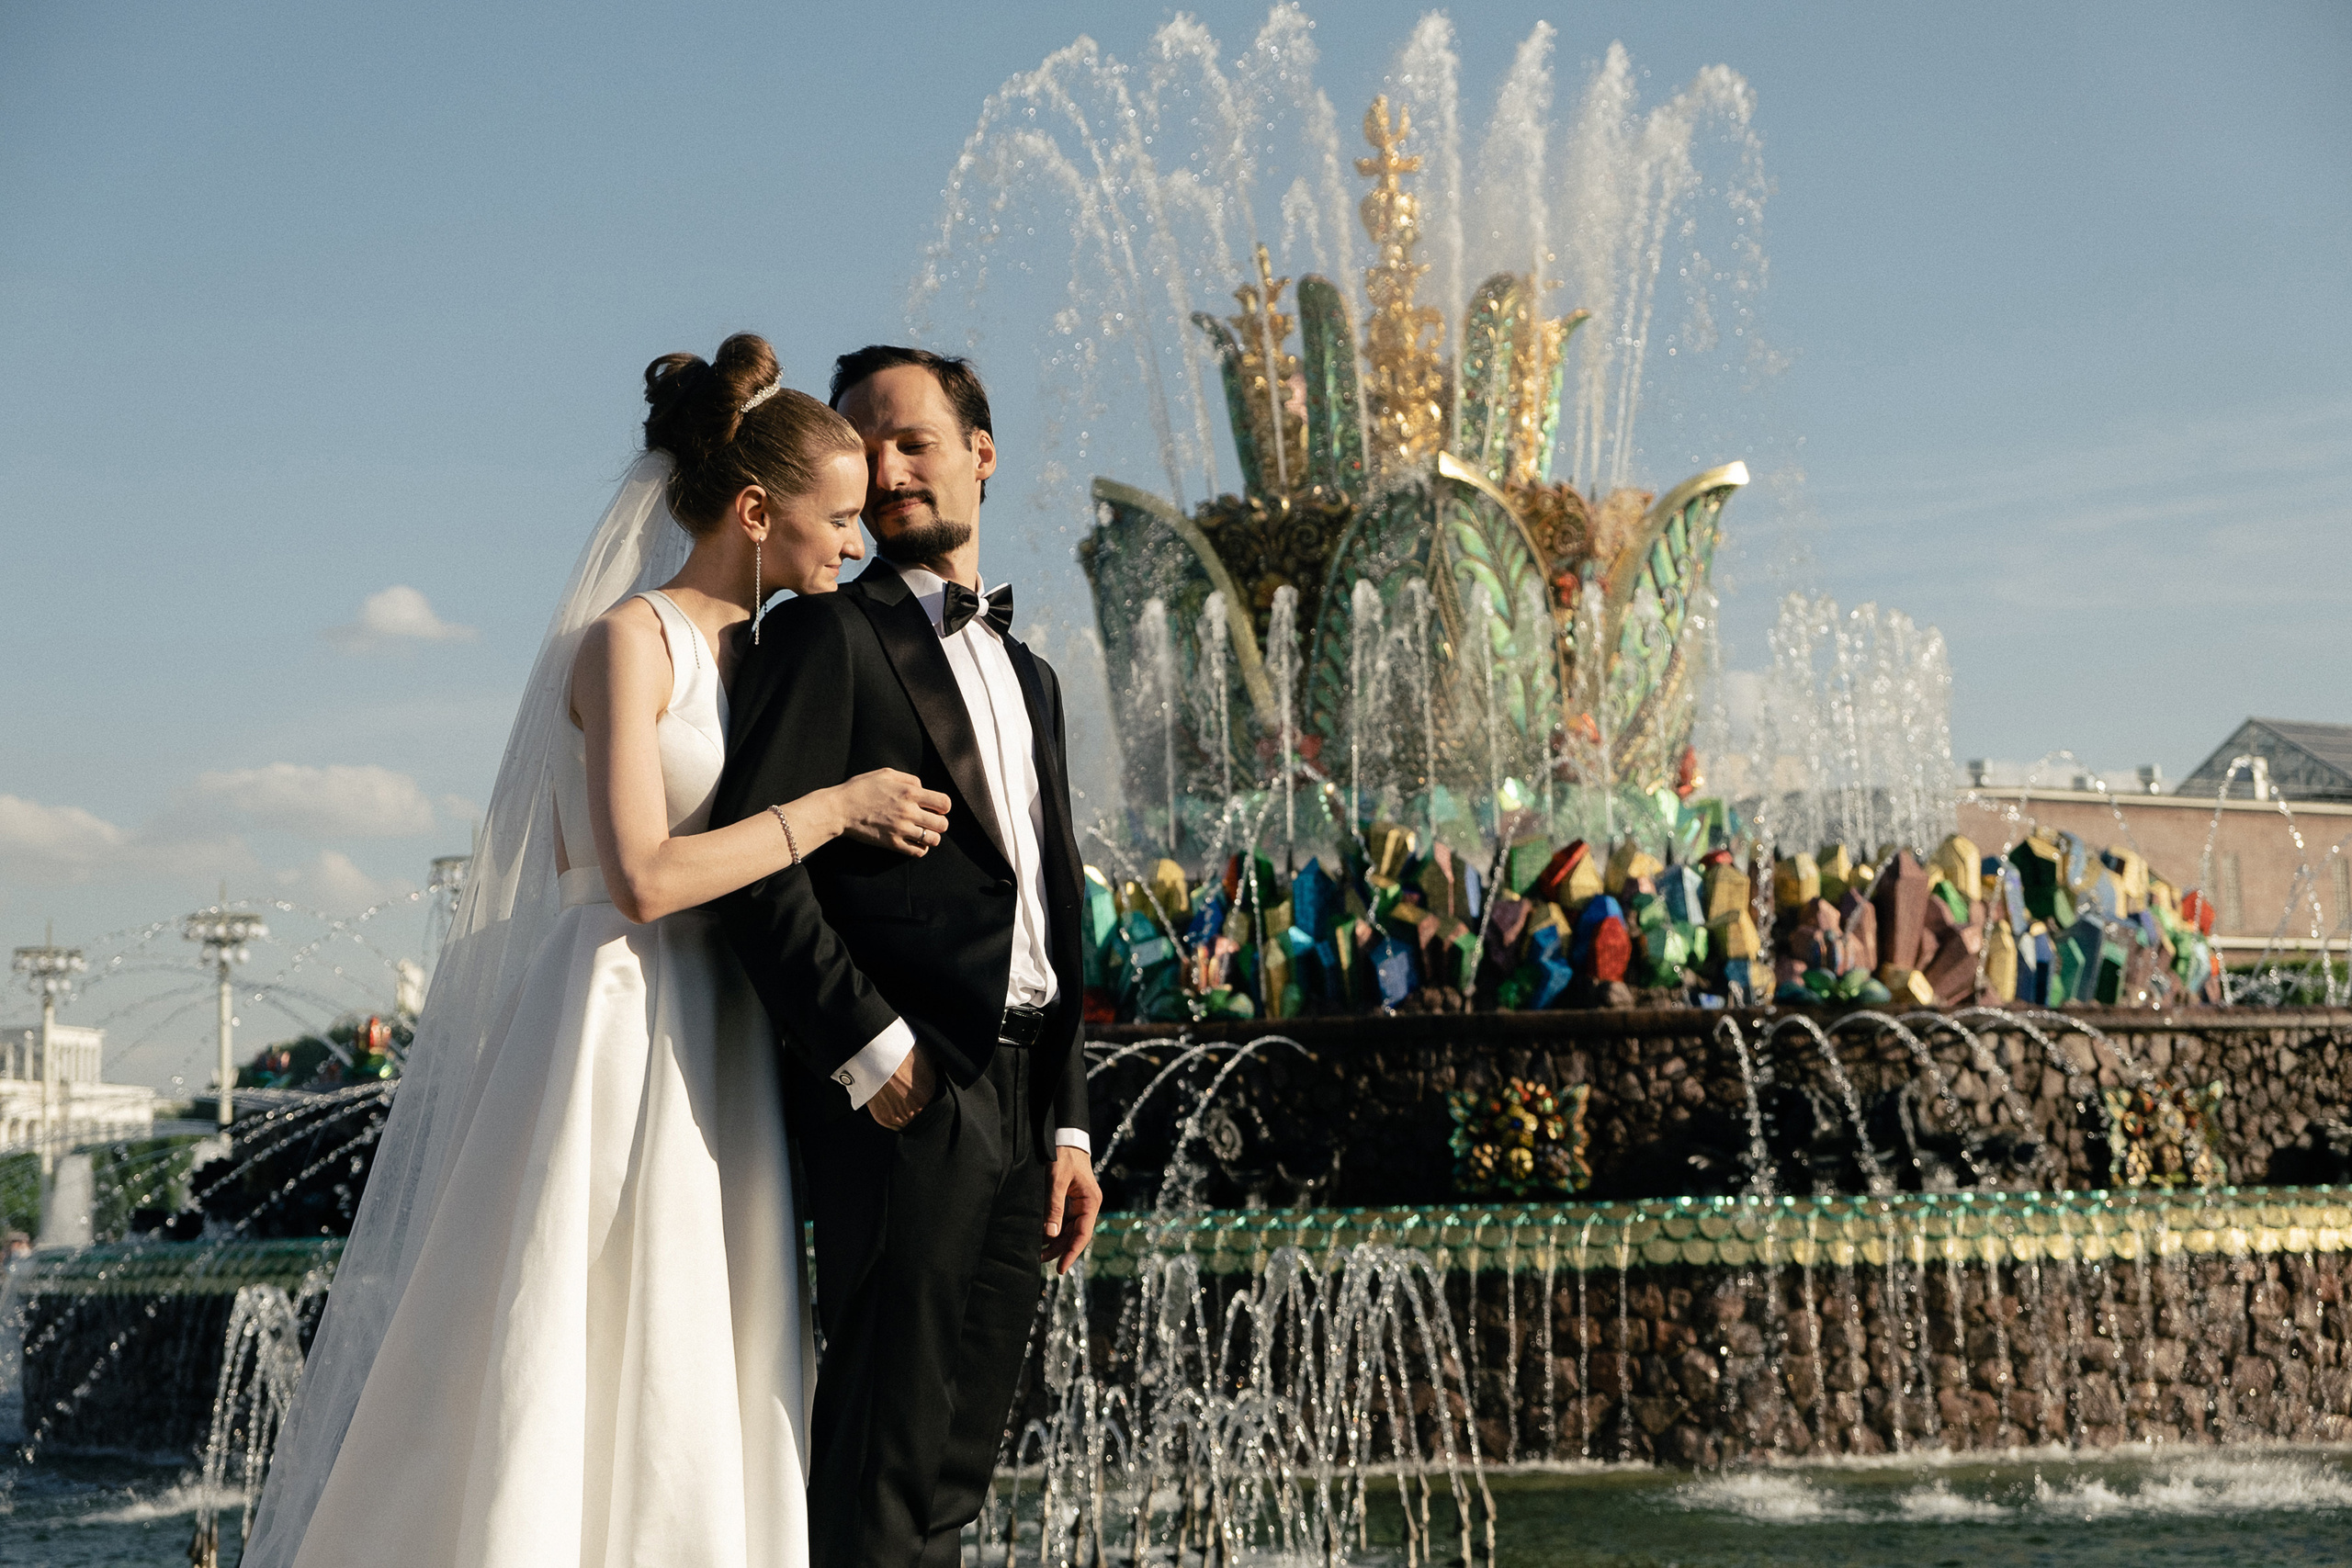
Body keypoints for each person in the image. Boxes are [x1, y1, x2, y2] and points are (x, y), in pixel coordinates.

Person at [245, 334, 951, 1568]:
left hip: (729, 1024)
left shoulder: (776, 658)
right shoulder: (630, 643)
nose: (855, 540)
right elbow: (643, 874)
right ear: (753, 509)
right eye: (835, 518)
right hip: (621, 1019)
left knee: (701, 1346)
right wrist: (834, 808)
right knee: (571, 1332)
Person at [710, 344, 1102, 1568]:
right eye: (866, 445)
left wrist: (1073, 1124)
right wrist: (875, 1055)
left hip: (1026, 1104)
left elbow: (1055, 902)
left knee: (957, 1469)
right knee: (879, 1462)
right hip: (905, 1094)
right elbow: (750, 869)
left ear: (983, 457)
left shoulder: (1031, 676)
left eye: (914, 440)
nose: (886, 469)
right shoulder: (824, 636)